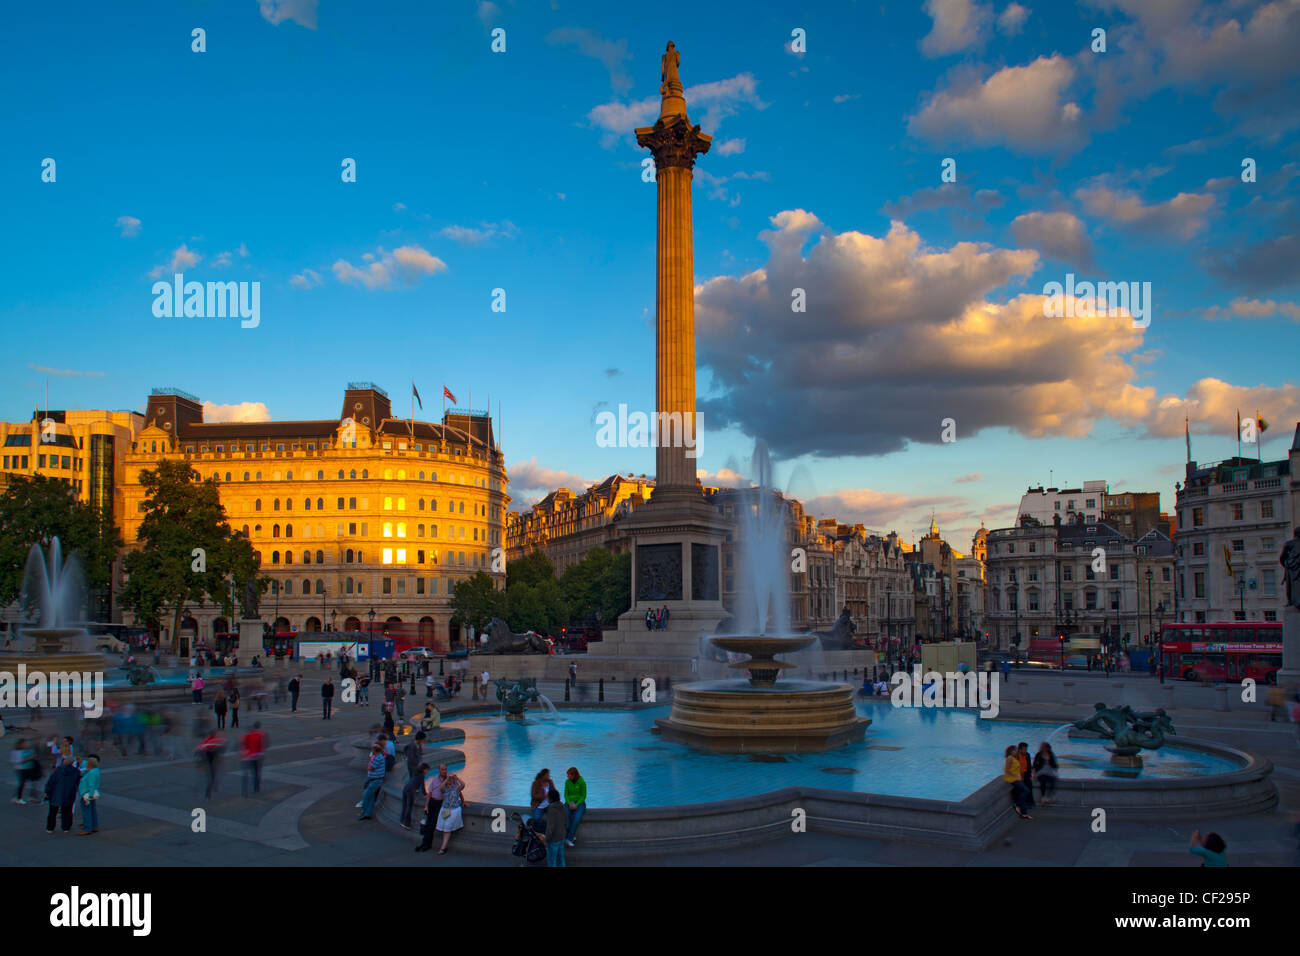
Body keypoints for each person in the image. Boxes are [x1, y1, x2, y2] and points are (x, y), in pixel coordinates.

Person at [44, 747, 81, 833]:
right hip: (69, 794)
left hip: (56, 793)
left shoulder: (58, 770)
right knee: (67, 811)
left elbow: (51, 781)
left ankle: (50, 828)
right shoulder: (76, 771)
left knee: (53, 812)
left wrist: (47, 791)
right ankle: (66, 827)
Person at [416, 763, 450, 852]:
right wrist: (426, 806)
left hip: (440, 804)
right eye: (443, 769)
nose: (444, 771)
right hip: (432, 802)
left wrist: (462, 801)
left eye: (445, 769)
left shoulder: (449, 780)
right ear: (439, 771)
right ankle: (425, 843)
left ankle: (426, 844)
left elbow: (455, 790)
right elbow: (430, 793)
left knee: (432, 824)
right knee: (428, 823)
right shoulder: (435, 779)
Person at [434, 771, 465, 854]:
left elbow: (463, 785)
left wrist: (457, 778)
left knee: (447, 828)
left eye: (451, 779)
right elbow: (441, 787)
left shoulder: (456, 787)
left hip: (454, 810)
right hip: (445, 809)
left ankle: (443, 848)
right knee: (444, 828)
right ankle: (444, 847)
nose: (450, 780)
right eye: (448, 779)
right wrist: (447, 778)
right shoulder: (445, 788)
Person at [358, 744, 385, 820]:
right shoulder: (377, 756)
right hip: (375, 779)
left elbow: (370, 768)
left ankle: (364, 812)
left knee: (366, 796)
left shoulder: (377, 758)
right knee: (371, 797)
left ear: (374, 750)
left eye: (372, 750)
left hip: (375, 780)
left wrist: (370, 764)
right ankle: (367, 813)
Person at [196, 728, 225, 798]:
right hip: (214, 762)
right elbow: (222, 749)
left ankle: (211, 789)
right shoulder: (217, 741)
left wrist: (200, 762)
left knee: (209, 776)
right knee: (213, 776)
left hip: (207, 761)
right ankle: (213, 788)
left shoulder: (206, 741)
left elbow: (199, 750)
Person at [542, 787, 568, 867]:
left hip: (553, 839)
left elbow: (550, 827)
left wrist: (546, 840)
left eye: (548, 797)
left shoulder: (551, 809)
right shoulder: (562, 806)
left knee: (552, 861)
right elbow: (566, 821)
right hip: (561, 837)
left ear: (551, 799)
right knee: (561, 860)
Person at [1004, 745, 1032, 819]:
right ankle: (1018, 804)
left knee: (1024, 792)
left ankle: (1023, 812)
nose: (1016, 752)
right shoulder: (1010, 758)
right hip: (1012, 779)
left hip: (1017, 779)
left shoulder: (1014, 758)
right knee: (1026, 790)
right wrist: (1015, 777)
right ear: (1011, 751)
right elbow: (1007, 769)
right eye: (1015, 750)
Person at [241, 722, 268, 796]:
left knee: (247, 772)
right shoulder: (260, 734)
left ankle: (245, 790)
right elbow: (262, 745)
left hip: (249, 756)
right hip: (258, 755)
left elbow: (245, 746)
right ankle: (256, 787)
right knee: (256, 772)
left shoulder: (247, 735)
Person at [77, 755, 101, 834]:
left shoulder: (91, 773)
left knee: (86, 811)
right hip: (91, 793)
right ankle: (94, 826)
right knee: (92, 810)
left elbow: (91, 784)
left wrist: (90, 794)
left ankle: (87, 828)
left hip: (86, 793)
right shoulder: (96, 770)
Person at [402, 761, 428, 830]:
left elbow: (414, 781)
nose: (427, 771)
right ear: (424, 769)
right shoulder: (422, 775)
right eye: (427, 770)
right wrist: (426, 795)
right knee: (409, 807)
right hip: (410, 790)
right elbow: (423, 786)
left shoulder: (416, 773)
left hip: (406, 787)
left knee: (404, 805)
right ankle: (407, 824)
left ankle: (402, 821)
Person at [564, 766, 586, 847]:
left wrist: (576, 805)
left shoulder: (582, 782)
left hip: (580, 803)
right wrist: (569, 803)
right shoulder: (567, 782)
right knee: (566, 816)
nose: (568, 777)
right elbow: (566, 794)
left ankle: (569, 839)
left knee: (576, 818)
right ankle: (571, 835)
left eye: (569, 775)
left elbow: (583, 796)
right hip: (569, 802)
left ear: (574, 775)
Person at [11, 738, 37, 803]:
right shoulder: (16, 752)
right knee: (22, 783)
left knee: (31, 782)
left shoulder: (29, 750)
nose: (26, 744)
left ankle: (30, 797)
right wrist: (29, 758)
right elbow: (16, 761)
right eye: (24, 743)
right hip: (21, 769)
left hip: (29, 768)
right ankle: (18, 798)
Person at [1017, 741, 1034, 807]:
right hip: (1019, 775)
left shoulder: (1027, 755)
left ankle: (1030, 802)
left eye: (1026, 749)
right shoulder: (1017, 756)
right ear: (1020, 749)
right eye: (1024, 749)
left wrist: (1029, 775)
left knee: (1029, 786)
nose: (1025, 751)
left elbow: (1029, 766)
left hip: (1026, 774)